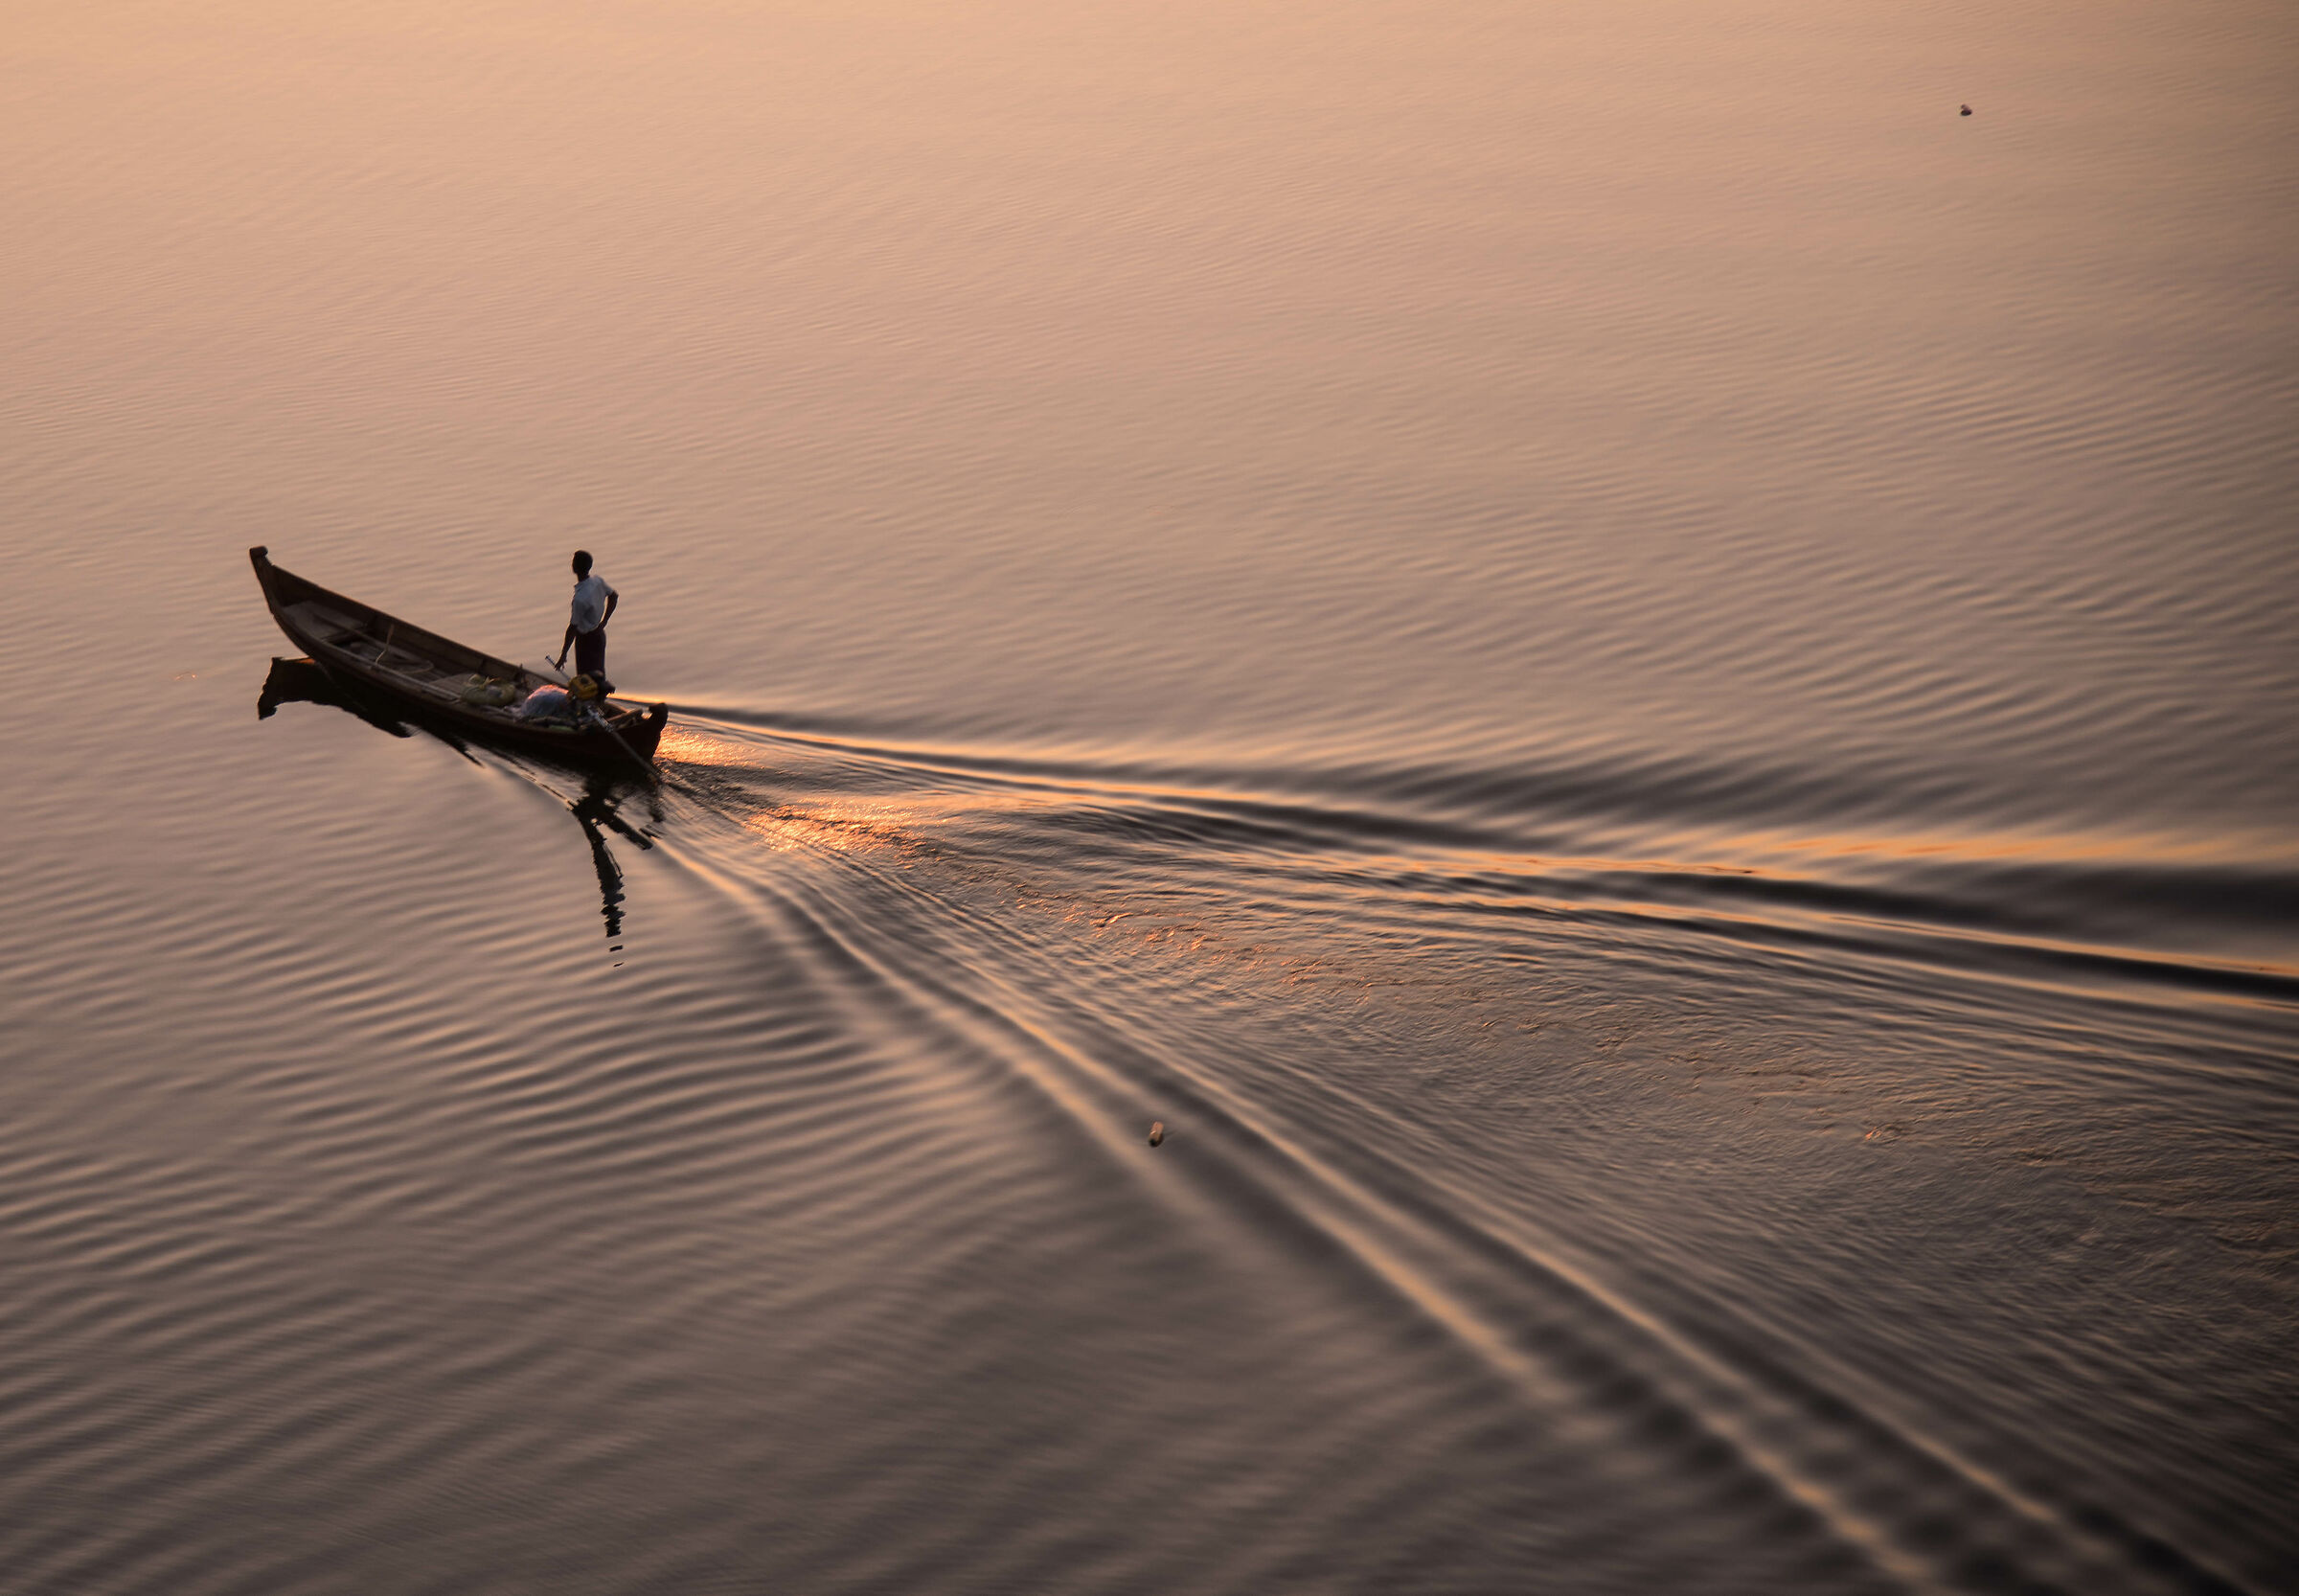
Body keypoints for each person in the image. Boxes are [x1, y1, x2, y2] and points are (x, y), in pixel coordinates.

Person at [556, 550, 619, 691]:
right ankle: (599, 700)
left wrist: (563, 654)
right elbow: (614, 596)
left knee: (586, 679)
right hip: (599, 635)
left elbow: (572, 628)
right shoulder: (598, 581)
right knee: (599, 675)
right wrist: (604, 622)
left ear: (574, 567)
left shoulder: (580, 599)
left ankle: (591, 701)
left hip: (586, 641)